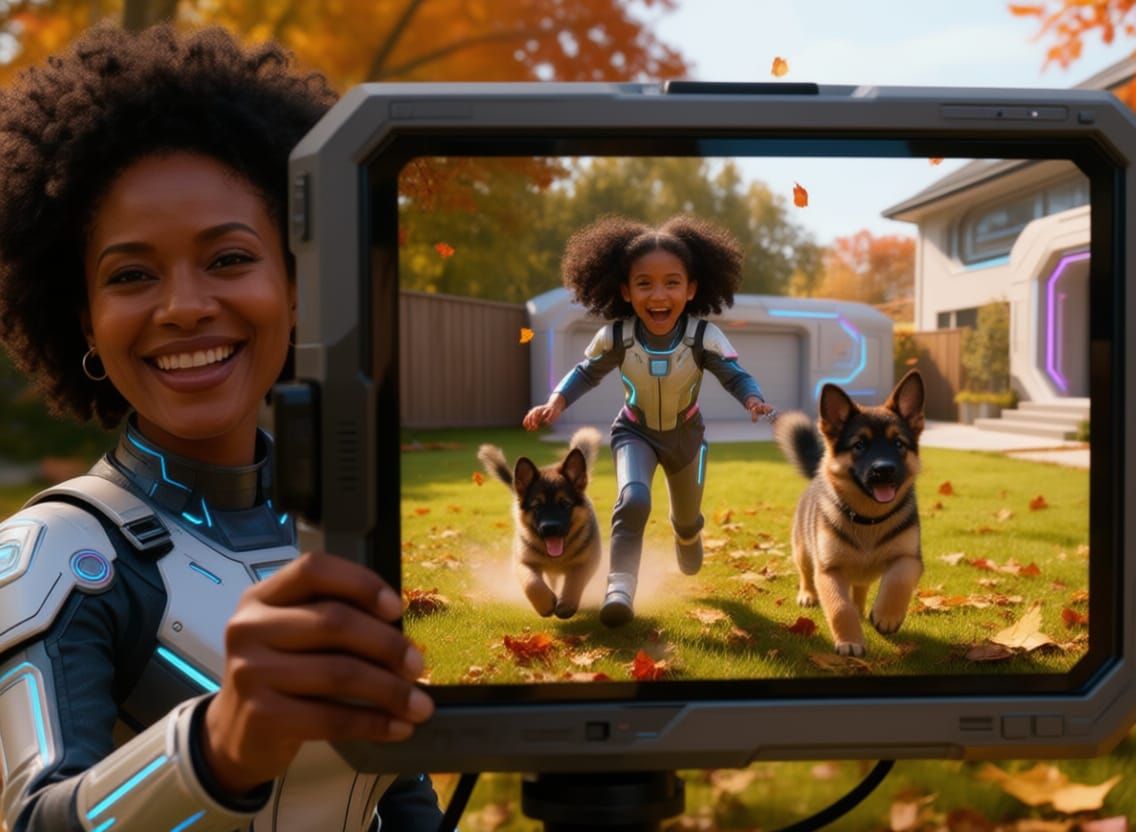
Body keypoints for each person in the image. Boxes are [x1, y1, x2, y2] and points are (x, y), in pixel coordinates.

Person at [0, 24, 440, 832]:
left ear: (300, 284)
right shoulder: (61, 555)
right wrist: (219, 744)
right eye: (131, 275)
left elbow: (401, 797)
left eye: (230, 258)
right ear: (86, 323)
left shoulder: (348, 532)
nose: (184, 307)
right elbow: (36, 819)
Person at [523, 215, 774, 627]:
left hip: (687, 438)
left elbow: (735, 375)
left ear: (692, 289)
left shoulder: (703, 337)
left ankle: (688, 533)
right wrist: (555, 403)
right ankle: (619, 588)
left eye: (672, 282)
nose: (659, 294)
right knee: (634, 499)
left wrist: (753, 399)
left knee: (686, 517)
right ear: (625, 291)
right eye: (645, 283)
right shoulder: (618, 337)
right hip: (634, 432)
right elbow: (584, 372)